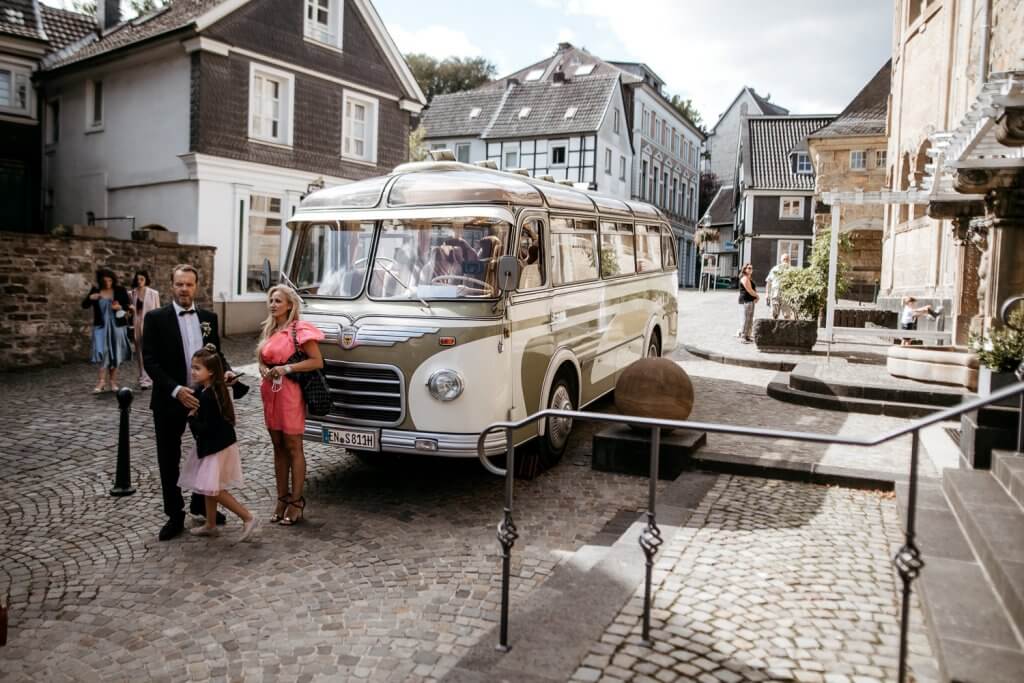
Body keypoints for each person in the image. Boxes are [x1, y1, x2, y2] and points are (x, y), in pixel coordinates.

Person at [143, 264, 238, 541]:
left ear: (196, 286)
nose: (184, 289)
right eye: (179, 284)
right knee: (168, 458)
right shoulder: (155, 318)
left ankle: (202, 503)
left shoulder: (208, 317)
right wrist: (175, 390)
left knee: (207, 454)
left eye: (189, 284)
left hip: (205, 400)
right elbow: (150, 361)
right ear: (171, 285)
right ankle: (175, 514)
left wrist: (226, 370)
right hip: (170, 399)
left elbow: (215, 355)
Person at [257, 285, 325, 526]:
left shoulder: (299, 330)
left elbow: (317, 361)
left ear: (289, 305)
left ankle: (297, 501)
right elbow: (262, 361)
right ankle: (281, 498)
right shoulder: (269, 329)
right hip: (270, 393)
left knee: (293, 446)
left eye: (278, 301)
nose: (273, 304)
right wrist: (265, 369)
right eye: (271, 300)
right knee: (277, 446)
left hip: (290, 394)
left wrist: (287, 368)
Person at [178, 345, 260, 542]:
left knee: (212, 489)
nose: (193, 371)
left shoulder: (209, 396)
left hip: (217, 447)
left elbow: (207, 427)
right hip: (214, 445)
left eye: (198, 368)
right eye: (193, 367)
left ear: (211, 371)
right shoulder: (210, 389)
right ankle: (211, 524)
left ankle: (248, 517)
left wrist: (191, 419)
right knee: (208, 485)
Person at [82, 268, 132, 393]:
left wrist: (120, 307)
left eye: (110, 280)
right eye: (105, 281)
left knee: (115, 353)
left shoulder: (120, 290)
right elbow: (84, 305)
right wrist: (90, 297)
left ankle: (113, 382)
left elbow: (128, 305)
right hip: (101, 327)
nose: (108, 283)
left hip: (117, 326)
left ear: (113, 280)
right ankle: (101, 381)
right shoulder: (96, 291)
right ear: (101, 281)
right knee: (103, 352)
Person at [128, 270, 160, 389]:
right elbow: (129, 311)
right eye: (137, 279)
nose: (139, 281)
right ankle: (143, 378)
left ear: (146, 279)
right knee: (140, 352)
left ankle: (152, 376)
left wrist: (158, 327)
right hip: (137, 324)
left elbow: (158, 310)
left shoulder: (153, 293)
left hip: (150, 324)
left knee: (151, 351)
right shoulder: (131, 294)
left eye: (142, 279)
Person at [765, 253, 793, 320]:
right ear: (781, 260)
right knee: (774, 314)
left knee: (787, 315)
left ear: (789, 261)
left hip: (787, 294)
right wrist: (767, 294)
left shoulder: (792, 270)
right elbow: (769, 282)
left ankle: (786, 330)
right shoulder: (775, 269)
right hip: (775, 293)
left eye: (787, 259)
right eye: (784, 259)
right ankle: (774, 330)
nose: (785, 261)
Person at [736, 263, 759, 343]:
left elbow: (753, 289)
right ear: (745, 269)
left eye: (751, 268)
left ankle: (748, 335)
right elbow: (749, 290)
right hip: (745, 301)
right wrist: (757, 296)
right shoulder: (744, 278)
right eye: (749, 268)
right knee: (746, 319)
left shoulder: (750, 278)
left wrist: (755, 296)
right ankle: (743, 336)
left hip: (750, 301)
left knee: (750, 319)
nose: (750, 269)